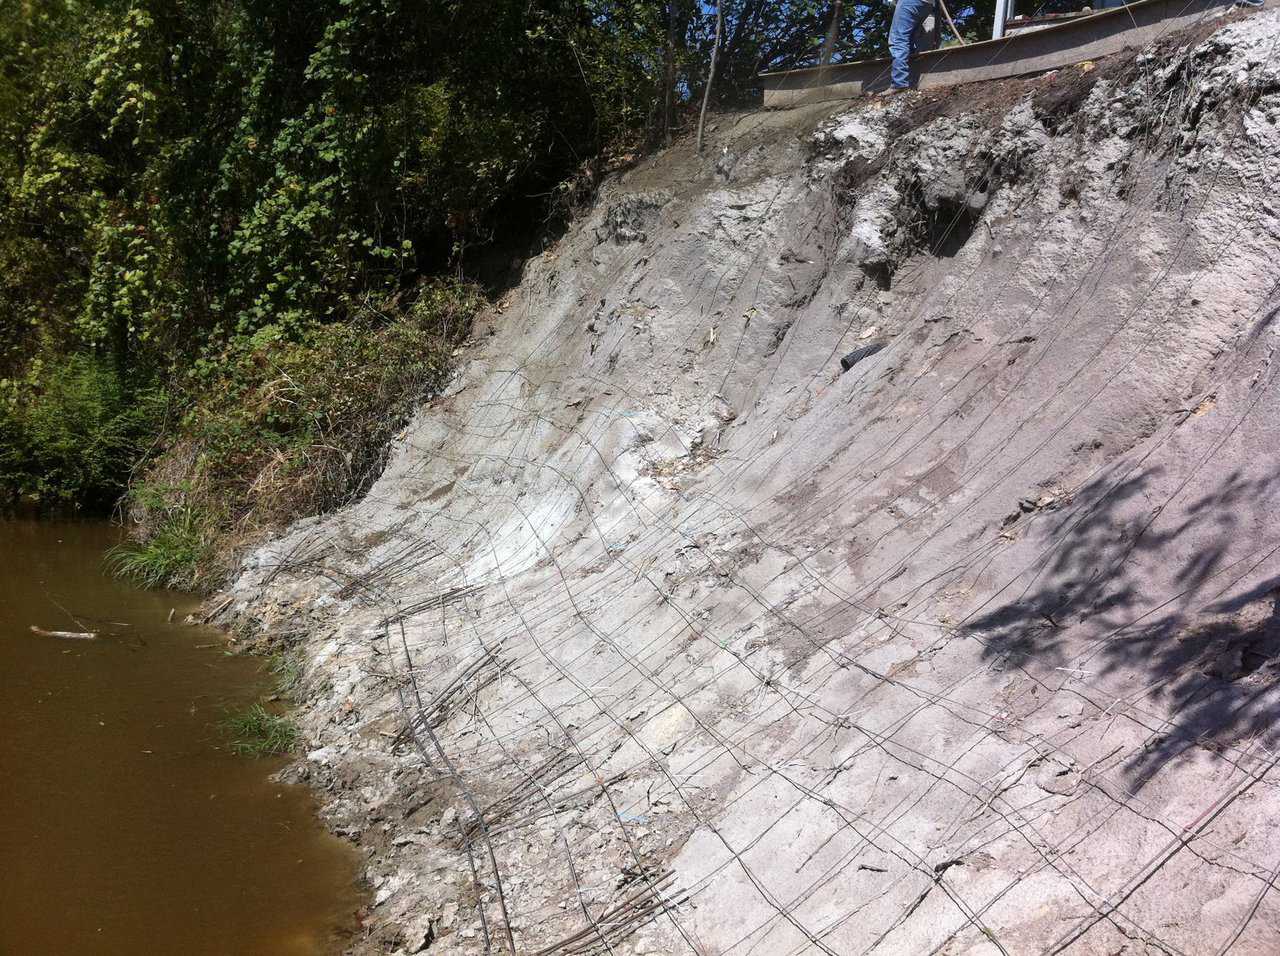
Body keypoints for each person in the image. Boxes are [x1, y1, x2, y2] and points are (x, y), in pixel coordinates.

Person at [886, 0, 937, 93]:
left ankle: (899, 83)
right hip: (928, 3)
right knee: (910, 40)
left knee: (898, 40)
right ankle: (910, 82)